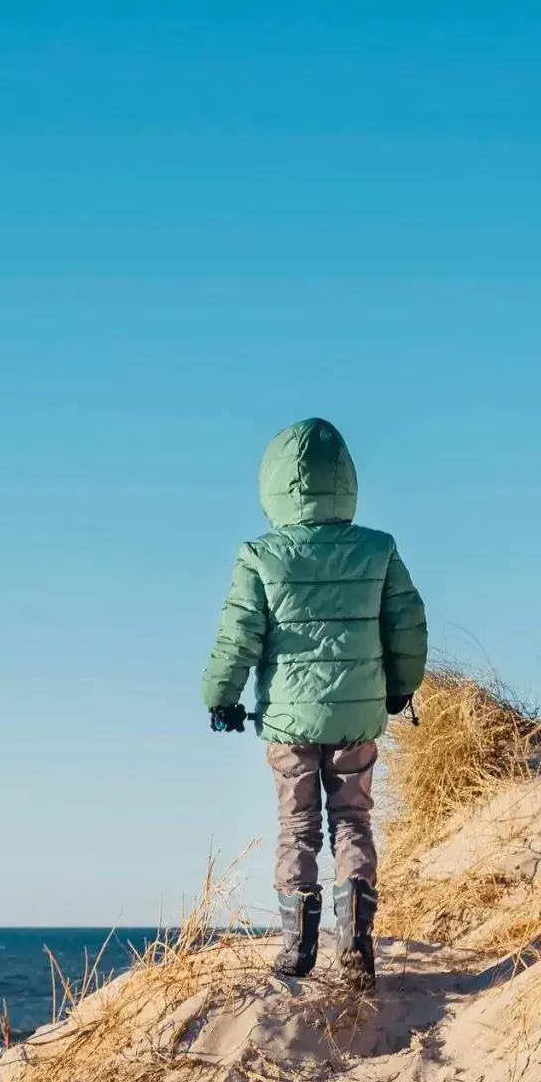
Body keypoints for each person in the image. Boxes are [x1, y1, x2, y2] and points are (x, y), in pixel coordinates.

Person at [201, 418, 427, 987]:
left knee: (296, 824)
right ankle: (356, 937)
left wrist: (220, 697)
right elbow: (408, 623)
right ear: (345, 480)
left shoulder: (260, 556)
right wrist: (401, 685)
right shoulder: (378, 550)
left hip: (288, 721)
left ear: (273, 485)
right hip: (358, 717)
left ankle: (297, 945)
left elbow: (238, 636)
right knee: (352, 819)